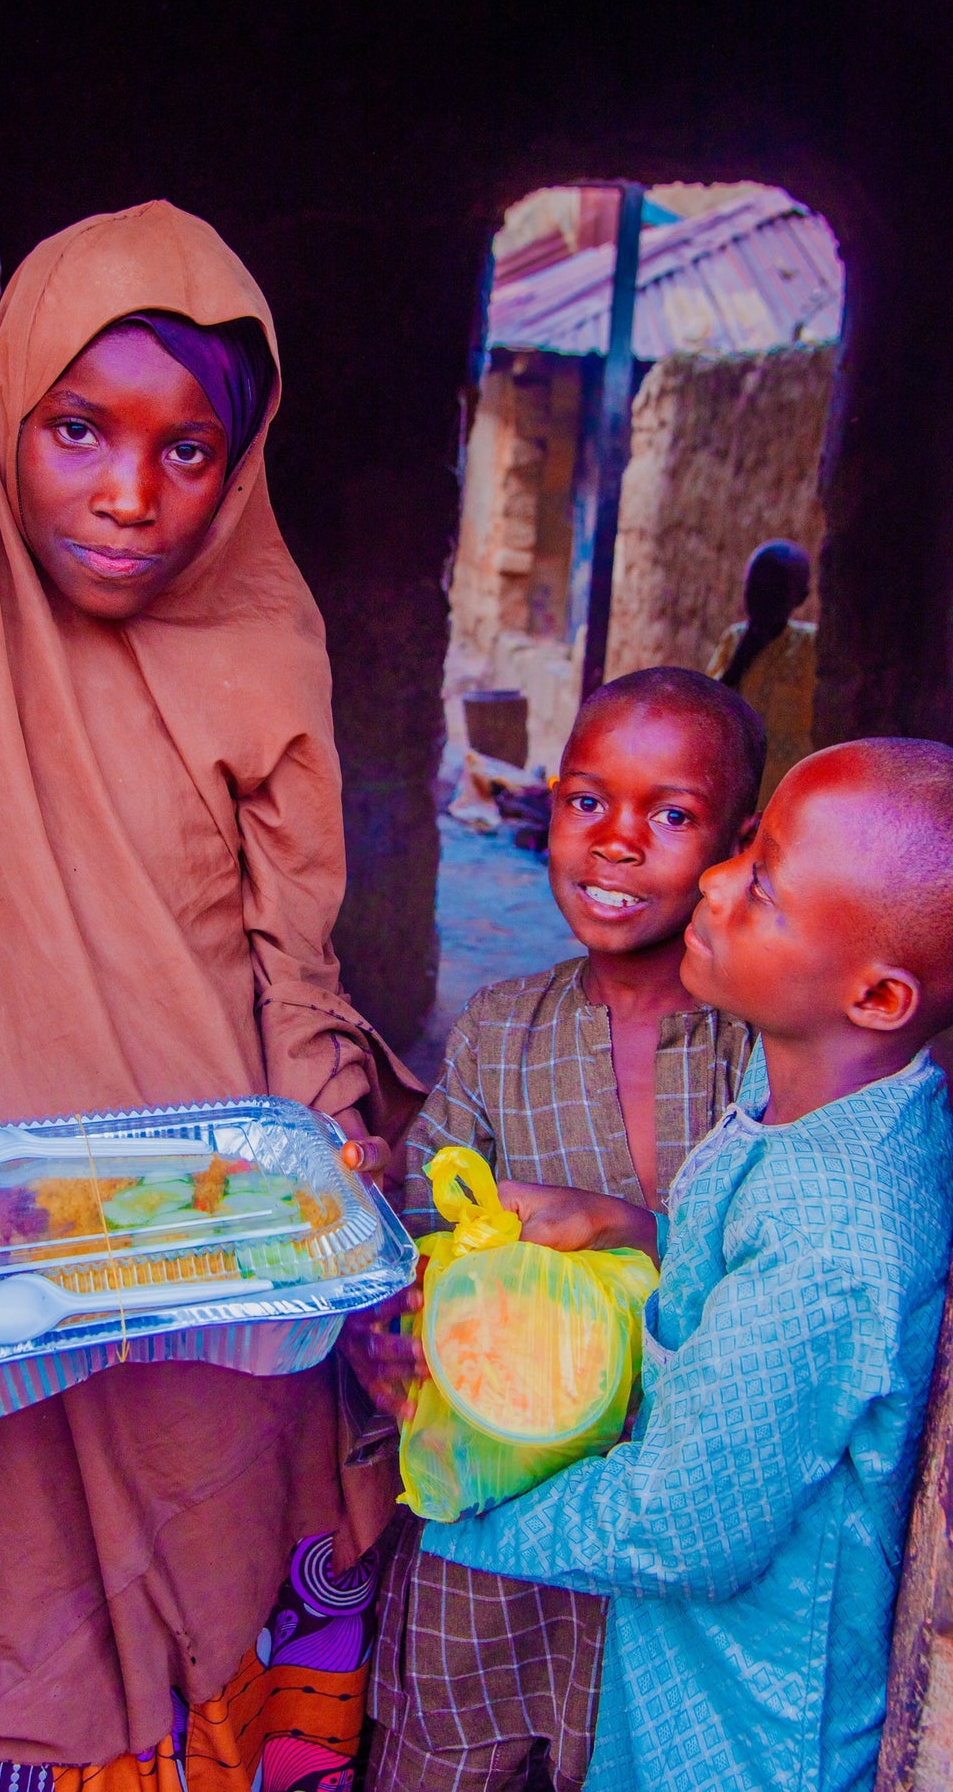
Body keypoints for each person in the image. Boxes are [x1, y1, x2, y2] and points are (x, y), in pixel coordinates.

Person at [0, 202, 420, 1792]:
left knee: (245, 1592)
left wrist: (341, 1163)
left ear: (239, 463)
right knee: (20, 1633)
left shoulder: (264, 648)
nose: (132, 497)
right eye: (78, 431)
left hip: (224, 1280)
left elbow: (294, 964)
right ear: (7, 418)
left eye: (190, 452)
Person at [423, 737, 953, 1792]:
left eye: (762, 886)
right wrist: (633, 1230)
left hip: (748, 1729)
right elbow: (749, 1303)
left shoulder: (837, 1223)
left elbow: (681, 1528)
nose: (712, 879)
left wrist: (449, 1513)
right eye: (742, 848)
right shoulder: (808, 1089)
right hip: (691, 1679)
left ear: (879, 999)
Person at [348, 667, 765, 1792]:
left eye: (671, 816)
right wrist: (398, 1314)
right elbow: (427, 1207)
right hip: (495, 1485)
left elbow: (776, 1259)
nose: (617, 843)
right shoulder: (500, 1030)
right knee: (446, 1746)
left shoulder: (758, 1054)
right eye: (587, 801)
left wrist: (631, 1228)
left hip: (660, 1519)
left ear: (740, 842)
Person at [707, 537, 816, 804]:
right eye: (755, 586)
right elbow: (709, 707)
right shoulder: (734, 641)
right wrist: (743, 657)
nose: (762, 597)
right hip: (737, 793)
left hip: (789, 796)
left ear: (800, 597)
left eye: (776, 590)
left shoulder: (813, 646)